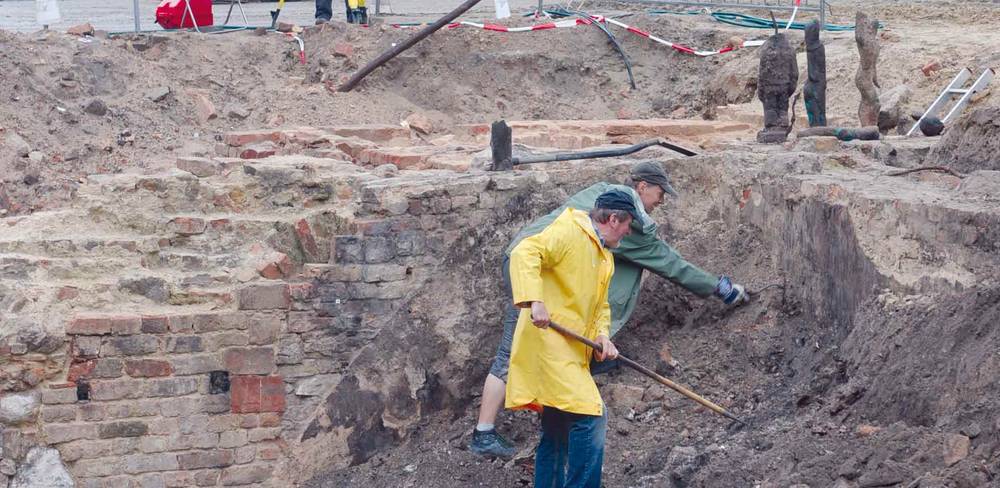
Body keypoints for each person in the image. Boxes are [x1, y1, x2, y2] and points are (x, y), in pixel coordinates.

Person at [469, 161, 750, 459]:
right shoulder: (624, 220)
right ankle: (484, 433)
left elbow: (599, 290)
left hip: (538, 264)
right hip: (531, 266)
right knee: (511, 350)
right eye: (660, 193)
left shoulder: (603, 195)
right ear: (642, 187)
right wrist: (720, 288)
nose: (661, 201)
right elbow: (668, 262)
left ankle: (562, 399)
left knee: (554, 341)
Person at [506, 189, 637, 487]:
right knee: (592, 416)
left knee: (557, 428)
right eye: (628, 224)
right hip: (548, 345)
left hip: (570, 352)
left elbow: (601, 307)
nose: (629, 232)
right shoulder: (569, 230)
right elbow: (525, 252)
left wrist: (603, 336)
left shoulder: (604, 257)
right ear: (613, 219)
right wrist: (535, 300)